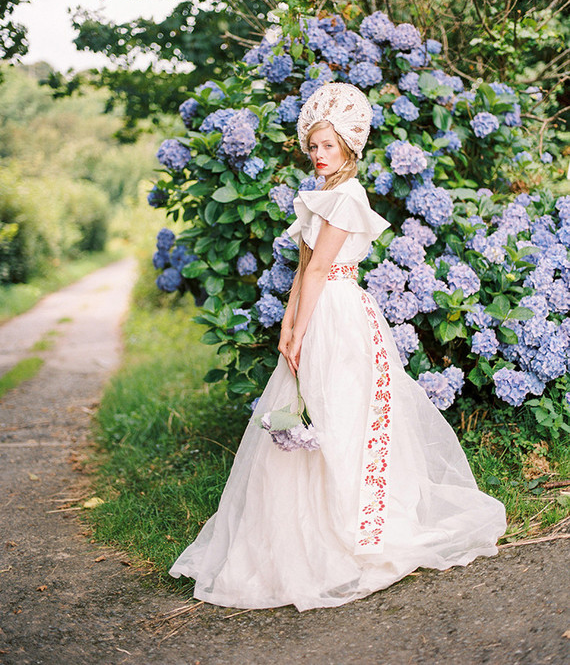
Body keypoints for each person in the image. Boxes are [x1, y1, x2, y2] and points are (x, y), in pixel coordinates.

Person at [169, 82, 506, 611]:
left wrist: (301, 330)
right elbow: (304, 267)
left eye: (328, 146)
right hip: (315, 307)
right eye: (313, 146)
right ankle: (300, 529)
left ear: (349, 145)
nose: (319, 155)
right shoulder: (322, 193)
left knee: (343, 414)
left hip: (341, 313)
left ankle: (354, 525)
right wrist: (288, 322)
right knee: (307, 413)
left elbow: (326, 267)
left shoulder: (349, 196)